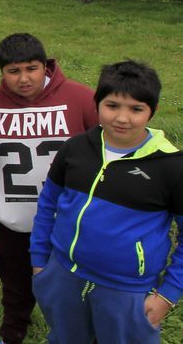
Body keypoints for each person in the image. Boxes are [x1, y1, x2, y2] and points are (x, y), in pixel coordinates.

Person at [30, 60, 183, 344]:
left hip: (127, 290)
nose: (122, 118)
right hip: (63, 275)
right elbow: (48, 203)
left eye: (136, 109)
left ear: (153, 111)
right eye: (112, 106)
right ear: (97, 103)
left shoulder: (171, 167)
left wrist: (168, 294)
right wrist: (41, 263)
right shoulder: (75, 148)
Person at [0, 33, 97, 344]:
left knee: (74, 287)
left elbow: (105, 154)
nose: (24, 78)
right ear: (1, 71)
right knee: (15, 284)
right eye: (13, 71)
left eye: (32, 68)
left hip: (68, 220)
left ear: (45, 66)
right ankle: (12, 334)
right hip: (12, 218)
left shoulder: (81, 99)